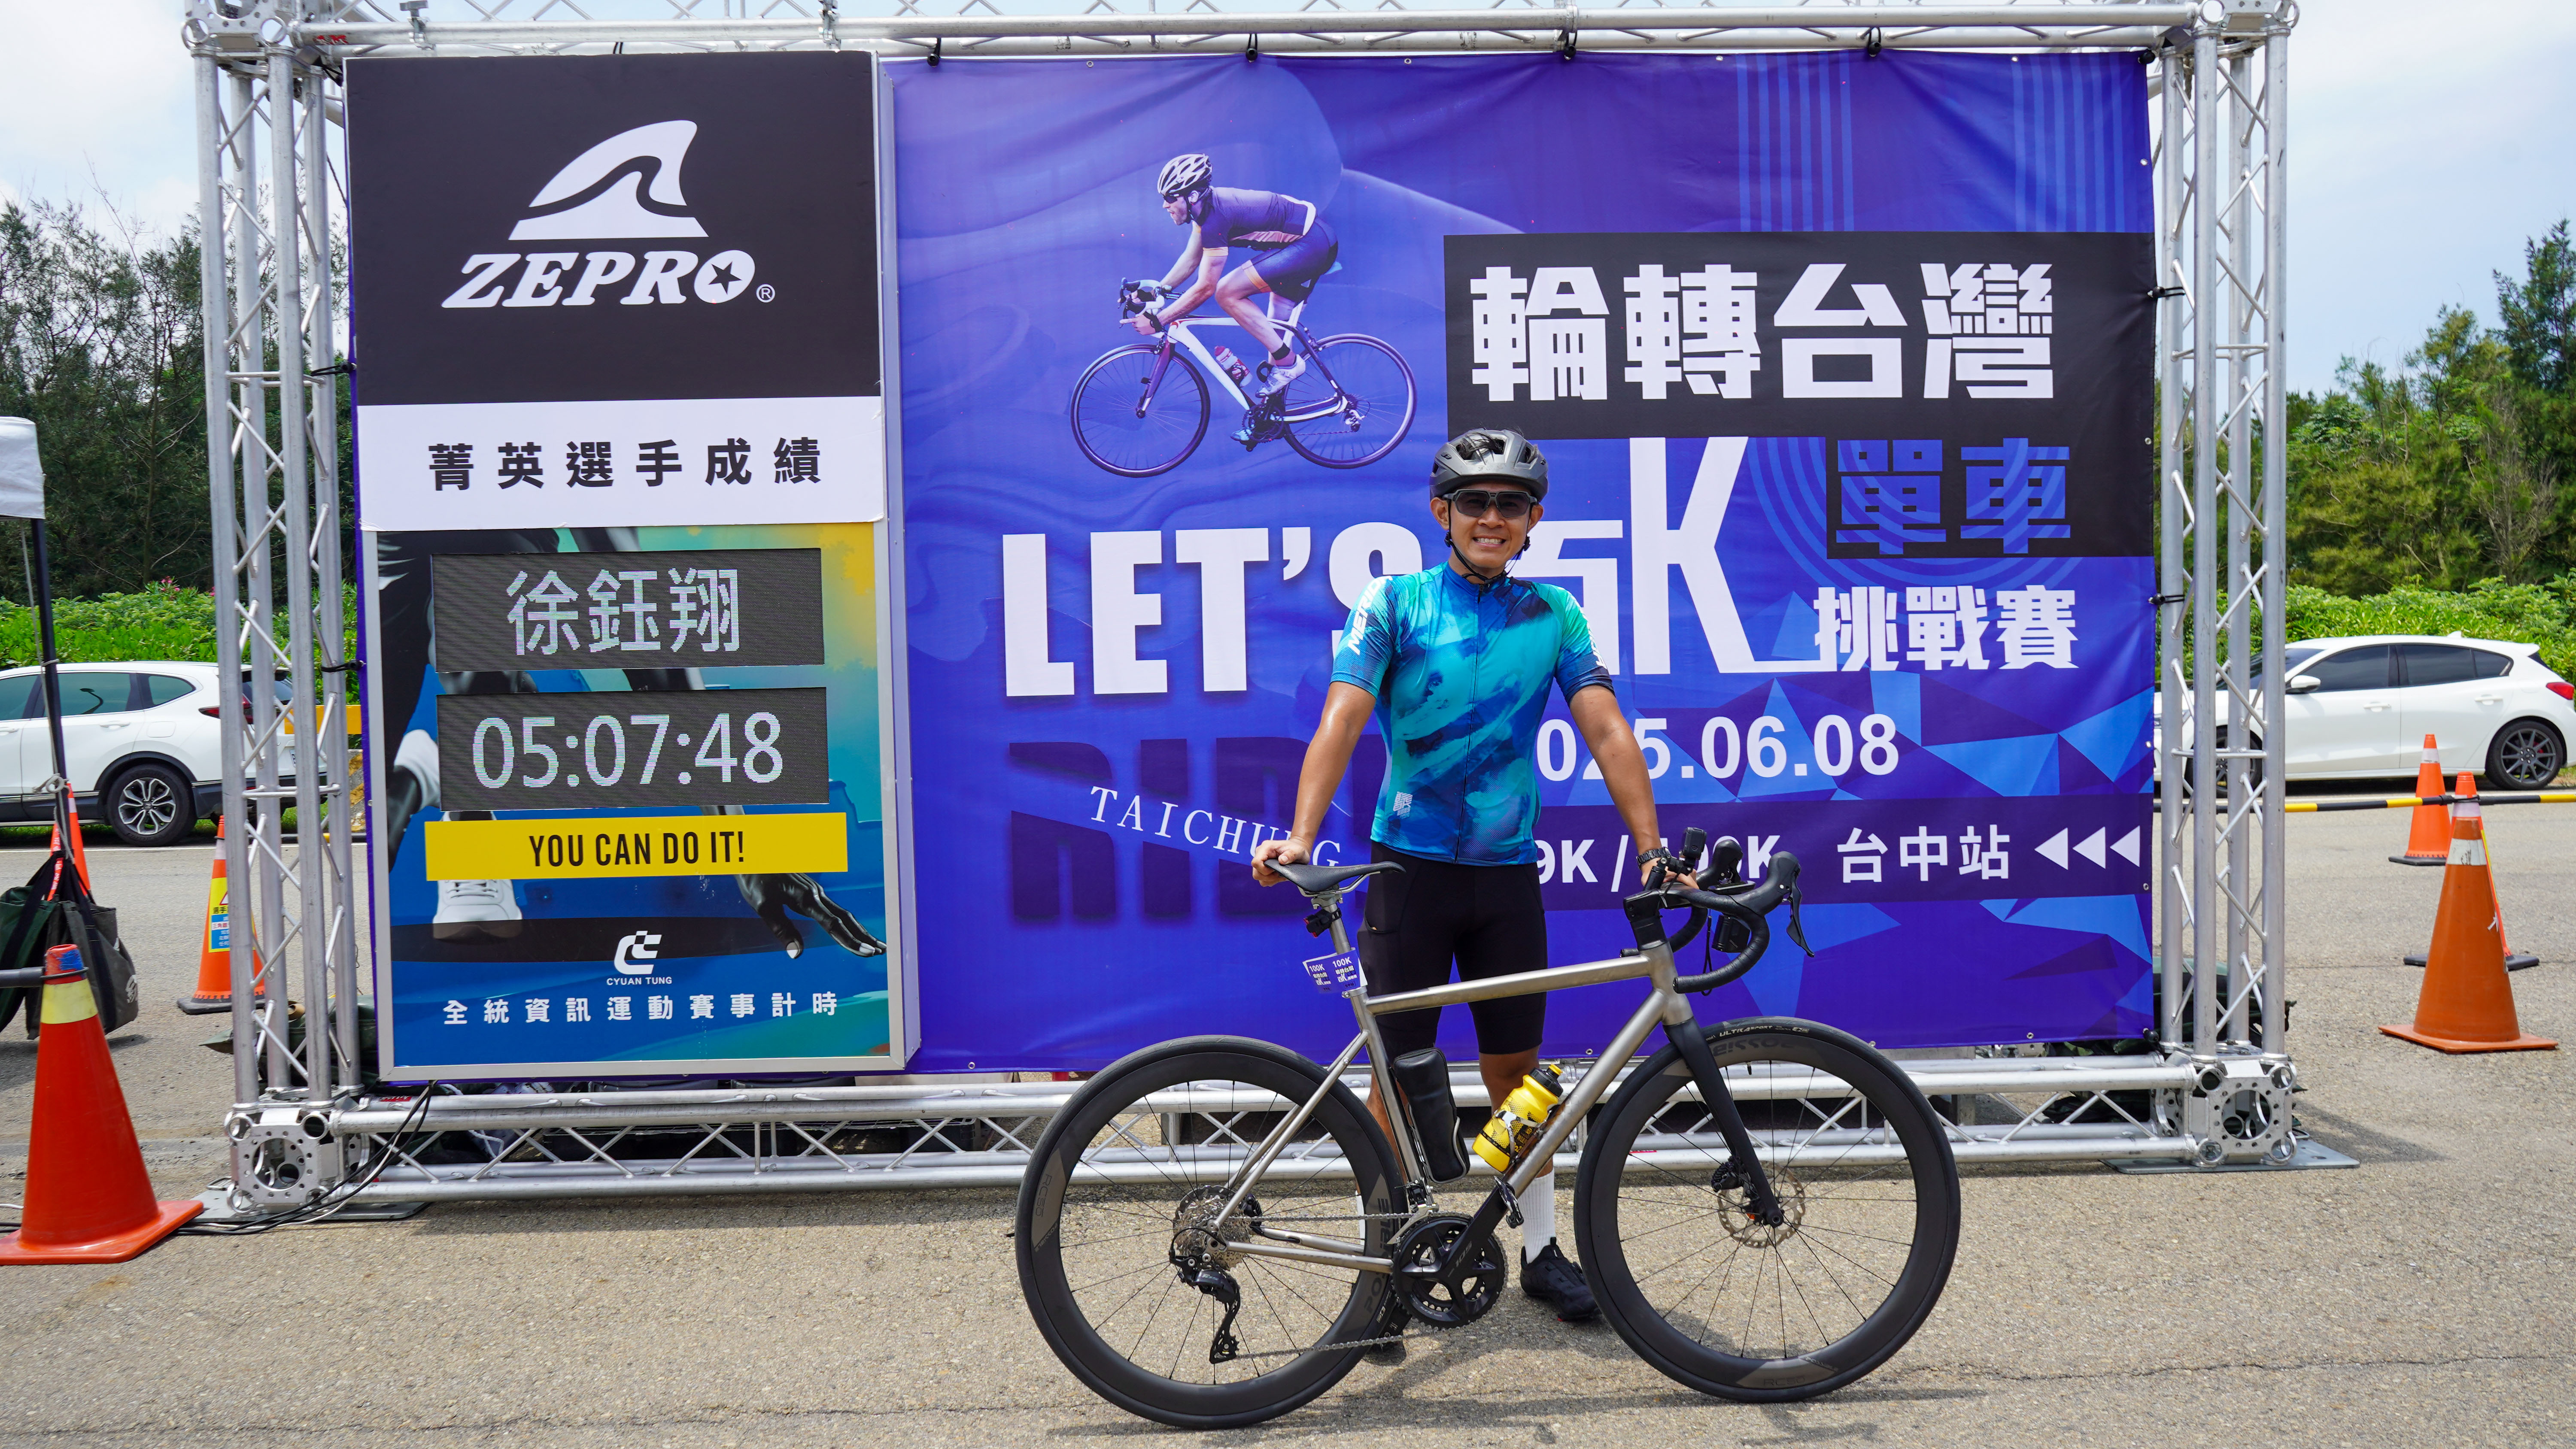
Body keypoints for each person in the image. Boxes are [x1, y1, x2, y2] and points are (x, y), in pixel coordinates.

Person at [1251, 427, 1692, 1336]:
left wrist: (1651, 846)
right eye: (1475, 502)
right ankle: (1382, 1267)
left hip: (1505, 876)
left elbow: (1607, 730)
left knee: (1516, 1076)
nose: (1493, 517)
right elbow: (1343, 716)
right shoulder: (1396, 600)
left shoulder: (1553, 614)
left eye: (1511, 504)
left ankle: (1542, 1251)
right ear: (1441, 512)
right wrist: (1301, 834)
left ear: (1534, 519)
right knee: (1394, 1076)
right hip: (1407, 871)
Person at [1133, 153, 1338, 411]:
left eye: (1171, 197)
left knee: (1227, 292)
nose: (1165, 205)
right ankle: (1271, 416)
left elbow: (1206, 288)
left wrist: (1158, 320)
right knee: (1273, 347)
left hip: (1311, 245)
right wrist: (1157, 291)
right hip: (1309, 242)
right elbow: (1191, 259)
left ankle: (1289, 364)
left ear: (1192, 196)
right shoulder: (1205, 212)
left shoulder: (1216, 218)